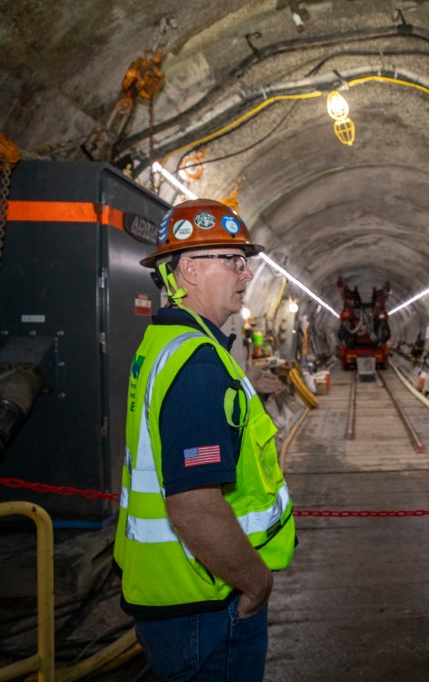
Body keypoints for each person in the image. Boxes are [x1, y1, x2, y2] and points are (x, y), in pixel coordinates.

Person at [114, 198, 296, 681]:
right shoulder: (197, 363)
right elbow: (193, 506)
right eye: (233, 261)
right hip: (204, 601)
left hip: (172, 593)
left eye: (245, 261)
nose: (246, 273)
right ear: (190, 270)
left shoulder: (166, 343)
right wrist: (255, 584)